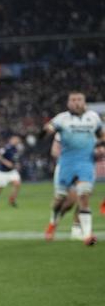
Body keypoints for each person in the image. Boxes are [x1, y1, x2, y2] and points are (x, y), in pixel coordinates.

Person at [43, 92, 103, 246]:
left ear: (84, 102)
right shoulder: (62, 120)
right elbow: (52, 138)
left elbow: (102, 136)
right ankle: (53, 223)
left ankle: (87, 235)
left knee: (83, 196)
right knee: (61, 200)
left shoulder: (93, 118)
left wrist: (101, 149)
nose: (76, 103)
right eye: (73, 100)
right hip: (66, 164)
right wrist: (46, 129)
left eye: (79, 99)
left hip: (86, 163)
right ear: (68, 103)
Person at [0, 134, 23, 208]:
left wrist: (17, 165)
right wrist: (6, 162)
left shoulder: (16, 149)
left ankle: (12, 200)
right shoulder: (5, 148)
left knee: (17, 183)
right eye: (15, 139)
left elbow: (15, 159)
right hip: (2, 172)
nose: (17, 141)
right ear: (11, 140)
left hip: (11, 171)